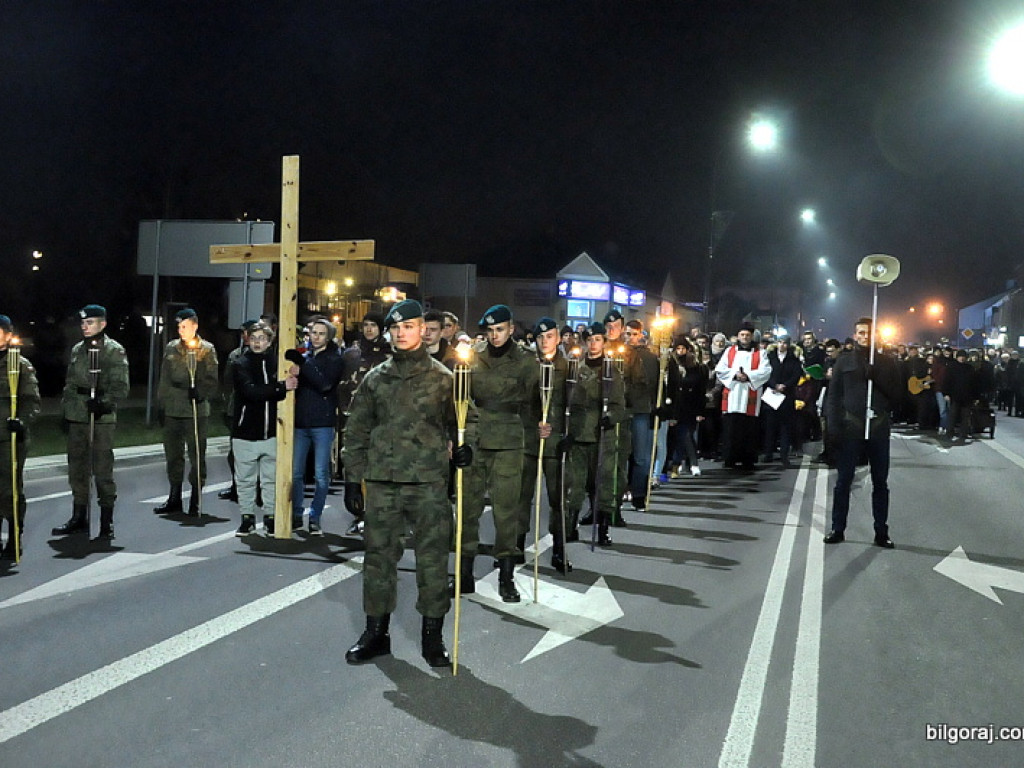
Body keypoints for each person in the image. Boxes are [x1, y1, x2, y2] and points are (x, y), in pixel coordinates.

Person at [342, 300, 470, 668]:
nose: (401, 333)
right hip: (383, 482)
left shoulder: (444, 378)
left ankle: (432, 637)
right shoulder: (375, 378)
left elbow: (463, 422)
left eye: (408, 326)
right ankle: (376, 633)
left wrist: (465, 448)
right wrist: (353, 477)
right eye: (395, 328)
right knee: (378, 559)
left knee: (432, 560)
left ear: (422, 330)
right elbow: (357, 429)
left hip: (428, 483)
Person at [460, 304, 535, 603]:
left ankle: (506, 576)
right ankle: (464, 572)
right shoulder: (473, 355)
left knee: (506, 511)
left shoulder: (525, 361)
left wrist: (542, 427)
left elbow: (534, 401)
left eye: (500, 329)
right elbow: (461, 394)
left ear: (511, 329)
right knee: (468, 507)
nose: (494, 335)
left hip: (508, 440)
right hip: (475, 437)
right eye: (490, 330)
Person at [824, 317, 902, 548]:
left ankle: (881, 532)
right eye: (860, 332)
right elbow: (833, 396)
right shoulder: (844, 361)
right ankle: (838, 528)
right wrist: (833, 429)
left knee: (880, 483)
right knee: (843, 482)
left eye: (869, 332)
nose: (865, 336)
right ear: (855, 334)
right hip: (850, 428)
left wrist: (878, 376)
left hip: (878, 428)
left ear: (876, 334)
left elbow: (898, 396)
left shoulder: (887, 362)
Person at [53, 304, 130, 538]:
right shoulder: (78, 349)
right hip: (77, 414)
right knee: (77, 468)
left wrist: (104, 403)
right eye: (83, 323)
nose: (85, 327)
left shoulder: (113, 350)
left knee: (102, 470)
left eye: (90, 323)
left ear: (102, 324)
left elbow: (121, 387)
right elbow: (70, 383)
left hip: (101, 418)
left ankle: (107, 521)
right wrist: (65, 411)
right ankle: (79, 516)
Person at [230, 321, 297, 536]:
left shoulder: (277, 363)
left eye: (262, 338)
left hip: (271, 433)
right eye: (253, 338)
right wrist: (280, 387)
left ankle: (270, 517)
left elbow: (293, 377)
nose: (257, 342)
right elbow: (250, 391)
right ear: (247, 340)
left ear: (269, 341)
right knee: (245, 480)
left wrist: (294, 372)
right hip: (245, 433)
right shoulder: (240, 364)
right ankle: (247, 517)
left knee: (270, 479)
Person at [564, 322, 626, 547]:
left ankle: (603, 529)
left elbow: (619, 405)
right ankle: (570, 526)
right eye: (589, 340)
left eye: (597, 340)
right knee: (575, 483)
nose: (593, 344)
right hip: (579, 434)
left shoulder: (611, 372)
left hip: (602, 435)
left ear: (604, 342)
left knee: (603, 483)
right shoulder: (576, 369)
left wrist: (611, 418)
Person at [153, 308, 219, 517]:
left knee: (196, 454)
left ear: (195, 326)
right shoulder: (172, 348)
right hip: (174, 406)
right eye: (179, 327)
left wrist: (200, 392)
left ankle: (196, 498)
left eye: (184, 326)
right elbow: (164, 378)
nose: (181, 330)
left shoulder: (206, 349)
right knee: (173, 455)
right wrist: (161, 404)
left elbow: (212, 378)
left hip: (195, 410)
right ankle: (174, 496)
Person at [519, 317, 572, 573]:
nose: (544, 341)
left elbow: (575, 406)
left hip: (556, 442)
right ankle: (516, 544)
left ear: (558, 338)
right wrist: (533, 425)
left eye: (549, 336)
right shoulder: (527, 365)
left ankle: (559, 548)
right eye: (540, 337)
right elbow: (520, 402)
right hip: (528, 441)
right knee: (521, 496)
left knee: (557, 498)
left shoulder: (568, 368)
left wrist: (565, 433)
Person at [284, 315, 346, 535]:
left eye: (321, 334)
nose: (316, 337)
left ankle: (315, 517)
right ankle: (296, 513)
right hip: (301, 423)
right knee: (296, 473)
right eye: (314, 333)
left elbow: (324, 384)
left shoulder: (334, 359)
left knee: (321, 474)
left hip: (322, 423)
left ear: (328, 337)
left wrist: (304, 365)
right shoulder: (305, 357)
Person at [339, 311, 391, 532]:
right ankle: (360, 514)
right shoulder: (351, 354)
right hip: (353, 417)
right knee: (354, 467)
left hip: (381, 420)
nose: (369, 329)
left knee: (379, 469)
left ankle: (379, 516)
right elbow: (342, 384)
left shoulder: (389, 354)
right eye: (366, 325)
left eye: (374, 325)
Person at [0, 315, 41, 559]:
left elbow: (32, 401)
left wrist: (22, 422)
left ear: (7, 334)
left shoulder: (18, 364)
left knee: (10, 489)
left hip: (9, 437)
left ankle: (15, 536)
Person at [715, 323, 771, 469]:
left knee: (749, 429)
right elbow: (720, 369)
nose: (745, 337)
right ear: (738, 336)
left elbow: (766, 371)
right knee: (731, 429)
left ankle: (748, 459)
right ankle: (730, 458)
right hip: (733, 394)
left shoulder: (760, 353)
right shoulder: (729, 351)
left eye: (747, 335)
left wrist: (748, 376)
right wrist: (735, 375)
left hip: (749, 393)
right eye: (742, 335)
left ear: (752, 336)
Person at [218, 320, 259, 503]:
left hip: (256, 408)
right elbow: (227, 383)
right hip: (236, 408)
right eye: (243, 333)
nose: (245, 336)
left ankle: (256, 487)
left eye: (249, 333)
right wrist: (226, 406)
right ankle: (237, 486)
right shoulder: (235, 355)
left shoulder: (264, 355)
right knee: (235, 451)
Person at [664, 336, 706, 478]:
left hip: (691, 406)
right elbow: (670, 386)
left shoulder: (696, 366)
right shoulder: (672, 364)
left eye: (683, 348)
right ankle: (688, 464)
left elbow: (700, 389)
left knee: (687, 435)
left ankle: (682, 464)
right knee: (682, 435)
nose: (680, 351)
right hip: (677, 406)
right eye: (678, 348)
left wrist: (700, 411)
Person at [762, 335, 802, 468]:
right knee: (770, 427)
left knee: (785, 427)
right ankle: (768, 453)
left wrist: (785, 385)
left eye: (784, 343)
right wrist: (774, 385)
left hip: (787, 396)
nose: (782, 345)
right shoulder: (770, 357)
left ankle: (784, 455)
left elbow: (796, 376)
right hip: (771, 395)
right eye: (780, 342)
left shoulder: (793, 359)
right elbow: (765, 373)